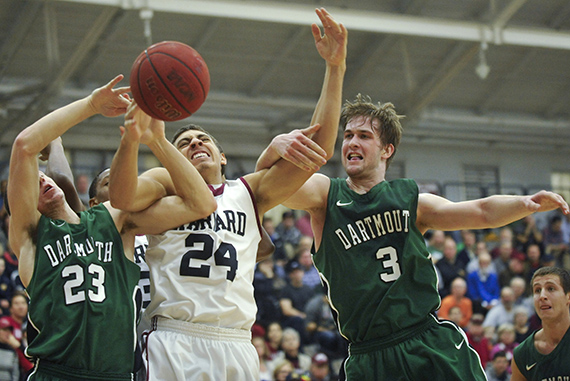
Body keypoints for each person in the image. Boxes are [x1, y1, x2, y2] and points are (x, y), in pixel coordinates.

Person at [257, 93, 570, 379]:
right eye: (348, 135)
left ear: (386, 150)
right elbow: (268, 189)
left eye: (364, 136)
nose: (352, 142)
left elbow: (482, 211)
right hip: (369, 355)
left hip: (426, 341)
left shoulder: (411, 201)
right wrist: (273, 150)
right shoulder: (326, 196)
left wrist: (525, 204)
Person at [107, 8, 347, 381]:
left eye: (203, 139)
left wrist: (335, 67)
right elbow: (122, 197)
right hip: (174, 337)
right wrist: (135, 140)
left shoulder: (249, 192)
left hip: (236, 343)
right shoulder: (163, 182)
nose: (194, 143)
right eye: (184, 143)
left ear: (221, 156)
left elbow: (318, 149)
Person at [6, 75, 216, 380]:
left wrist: (156, 141)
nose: (40, 178)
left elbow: (202, 204)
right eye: (31, 182)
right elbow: (25, 145)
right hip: (55, 373)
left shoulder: (115, 219)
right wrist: (91, 105)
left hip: (116, 375)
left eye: (42, 174)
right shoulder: (31, 239)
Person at [511, 266, 570, 380]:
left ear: (568, 296)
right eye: (537, 290)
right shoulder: (523, 353)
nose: (542, 296)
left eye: (551, 288)